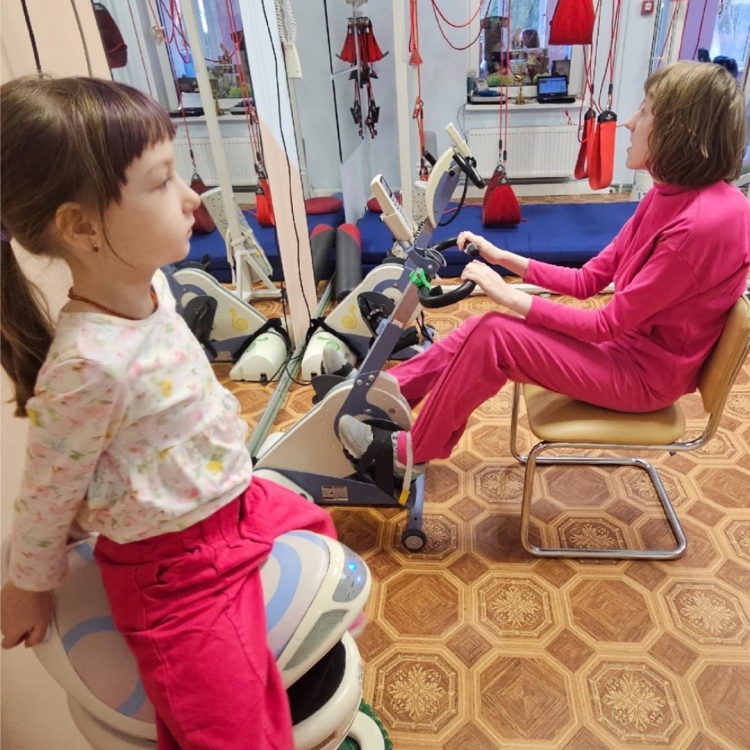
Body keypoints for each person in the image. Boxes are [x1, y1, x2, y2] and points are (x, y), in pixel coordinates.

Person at [0, 75, 337, 750]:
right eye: (161, 183)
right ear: (81, 226)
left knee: (325, 533)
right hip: (176, 575)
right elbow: (46, 488)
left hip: (237, 503)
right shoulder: (86, 365)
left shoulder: (154, 285)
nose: (191, 198)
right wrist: (27, 584)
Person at [334, 61, 750, 476]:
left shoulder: (699, 226)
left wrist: (507, 295)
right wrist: (502, 257)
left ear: (678, 130)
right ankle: (375, 396)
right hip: (626, 353)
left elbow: (605, 325)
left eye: (644, 111)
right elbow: (588, 280)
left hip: (643, 378)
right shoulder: (668, 195)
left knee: (494, 335)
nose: (628, 122)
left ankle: (409, 454)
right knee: (479, 328)